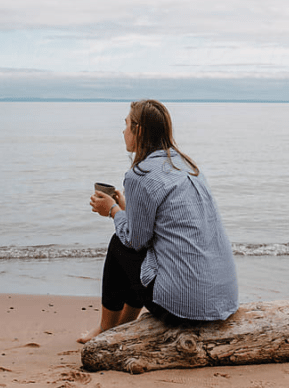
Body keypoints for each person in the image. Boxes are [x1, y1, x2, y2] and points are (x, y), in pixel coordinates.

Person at [78, 99, 238, 344]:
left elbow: (135, 241)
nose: (123, 131)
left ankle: (105, 330)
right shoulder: (187, 166)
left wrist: (112, 211)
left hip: (185, 308)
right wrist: (126, 209)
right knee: (139, 251)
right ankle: (124, 325)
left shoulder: (140, 175)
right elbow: (163, 226)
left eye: (126, 125)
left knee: (119, 245)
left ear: (139, 130)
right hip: (221, 300)